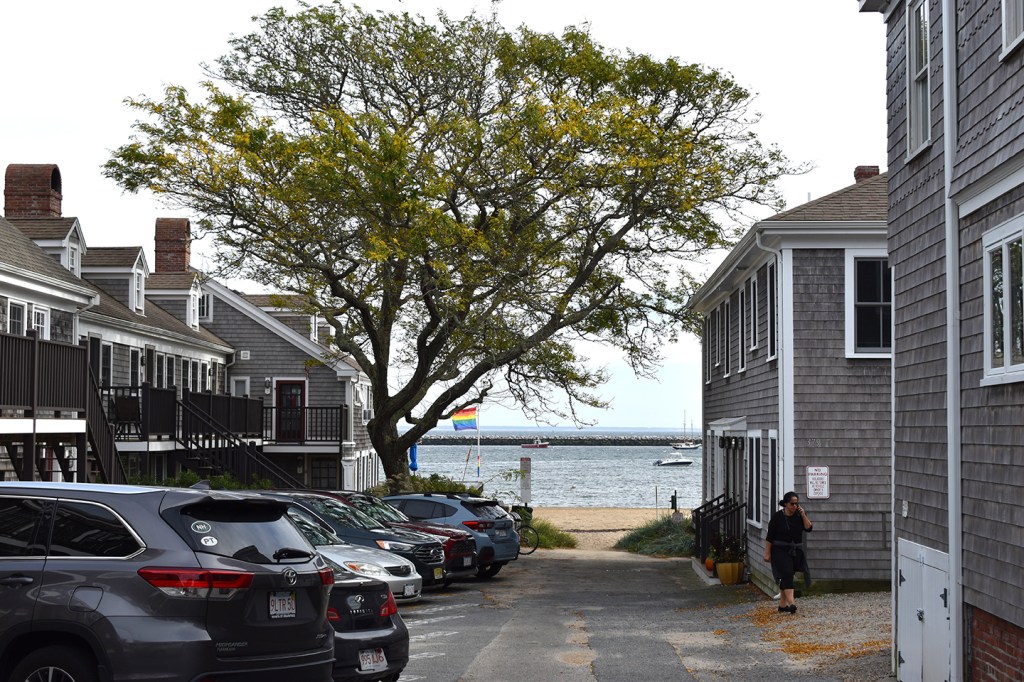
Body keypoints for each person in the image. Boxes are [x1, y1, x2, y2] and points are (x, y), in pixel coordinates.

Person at [763, 491, 812, 613]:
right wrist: (767, 553)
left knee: (788, 575)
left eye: (796, 504)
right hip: (780, 549)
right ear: (785, 504)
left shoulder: (799, 515)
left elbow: (809, 528)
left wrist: (803, 515)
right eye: (792, 504)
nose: (794, 506)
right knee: (787, 572)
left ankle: (782, 605)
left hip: (795, 550)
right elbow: (770, 537)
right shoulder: (777, 517)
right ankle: (792, 603)